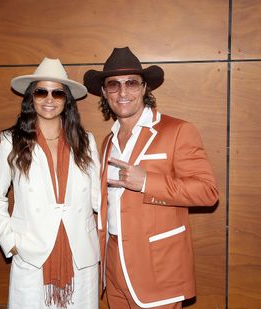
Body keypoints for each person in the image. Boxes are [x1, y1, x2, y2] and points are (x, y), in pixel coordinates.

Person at [83, 47, 219, 309]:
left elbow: (207, 192)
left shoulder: (178, 130)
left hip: (157, 269)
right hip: (113, 265)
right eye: (114, 85)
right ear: (104, 92)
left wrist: (147, 182)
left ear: (145, 88)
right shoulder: (107, 141)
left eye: (132, 83)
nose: (123, 93)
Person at [0, 57, 101, 309]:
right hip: (32, 253)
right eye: (41, 91)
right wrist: (11, 242)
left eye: (57, 93)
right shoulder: (11, 141)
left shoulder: (86, 141)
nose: (49, 99)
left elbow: (98, 199)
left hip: (80, 255)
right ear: (31, 97)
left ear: (66, 100)